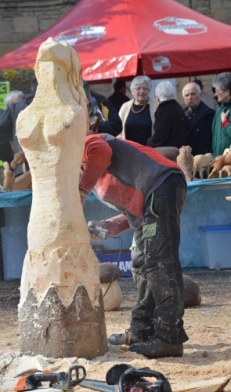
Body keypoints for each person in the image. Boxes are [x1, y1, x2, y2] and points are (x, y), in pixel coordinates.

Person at [79, 132, 189, 359]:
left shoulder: (87, 143)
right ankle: (142, 330)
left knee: (158, 263)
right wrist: (106, 226)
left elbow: (102, 151)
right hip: (152, 199)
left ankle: (169, 338)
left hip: (161, 185)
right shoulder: (91, 171)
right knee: (140, 262)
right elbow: (134, 211)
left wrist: (80, 192)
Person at [0, 88, 35, 173]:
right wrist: (13, 161)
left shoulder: (1, 120)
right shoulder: (7, 120)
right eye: (16, 104)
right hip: (21, 166)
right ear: (8, 106)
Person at [118, 76, 158, 145]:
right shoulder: (125, 107)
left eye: (145, 88)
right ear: (132, 91)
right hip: (129, 150)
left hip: (150, 151)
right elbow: (117, 129)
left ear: (149, 90)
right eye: (138, 88)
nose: (141, 91)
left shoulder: (156, 106)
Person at [147, 81, 186, 148]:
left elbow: (160, 136)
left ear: (158, 98)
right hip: (180, 149)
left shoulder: (163, 110)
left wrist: (149, 141)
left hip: (168, 151)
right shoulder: (178, 108)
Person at [0, 90, 24, 164]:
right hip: (14, 156)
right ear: (8, 105)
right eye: (17, 104)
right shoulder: (7, 118)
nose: (21, 106)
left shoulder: (3, 118)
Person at [182, 82, 215, 156]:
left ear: (200, 95)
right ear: (184, 99)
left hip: (204, 159)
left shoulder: (210, 114)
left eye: (193, 94)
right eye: (187, 95)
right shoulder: (181, 115)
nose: (190, 97)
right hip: (187, 159)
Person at [211, 72, 231, 157]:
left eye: (217, 91)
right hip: (220, 163)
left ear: (227, 92)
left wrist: (225, 123)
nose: (215, 94)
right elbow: (214, 138)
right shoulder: (219, 111)